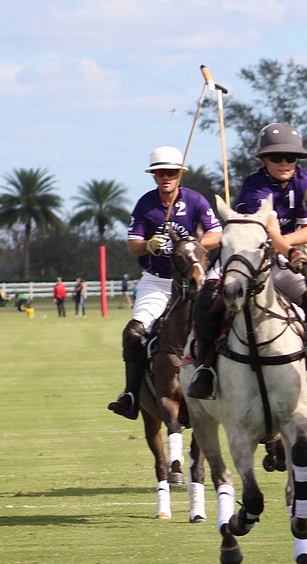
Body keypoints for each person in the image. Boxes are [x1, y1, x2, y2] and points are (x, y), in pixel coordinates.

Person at [186, 123, 307, 407]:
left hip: (282, 261)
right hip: (248, 259)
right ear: (264, 159)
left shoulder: (303, 180)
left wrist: (290, 248)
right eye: (277, 157)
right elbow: (265, 229)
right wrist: (291, 250)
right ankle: (205, 368)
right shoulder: (256, 186)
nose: (285, 163)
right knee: (208, 300)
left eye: (291, 157)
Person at [107, 145, 222, 420]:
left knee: (224, 328)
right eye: (160, 173)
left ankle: (223, 385)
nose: (166, 177)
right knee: (133, 333)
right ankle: (131, 395)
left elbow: (216, 235)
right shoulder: (146, 204)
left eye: (171, 172)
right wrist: (150, 243)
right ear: (154, 176)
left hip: (193, 284)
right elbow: (132, 246)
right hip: (157, 283)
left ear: (180, 174)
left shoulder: (195, 201)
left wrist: (191, 245)